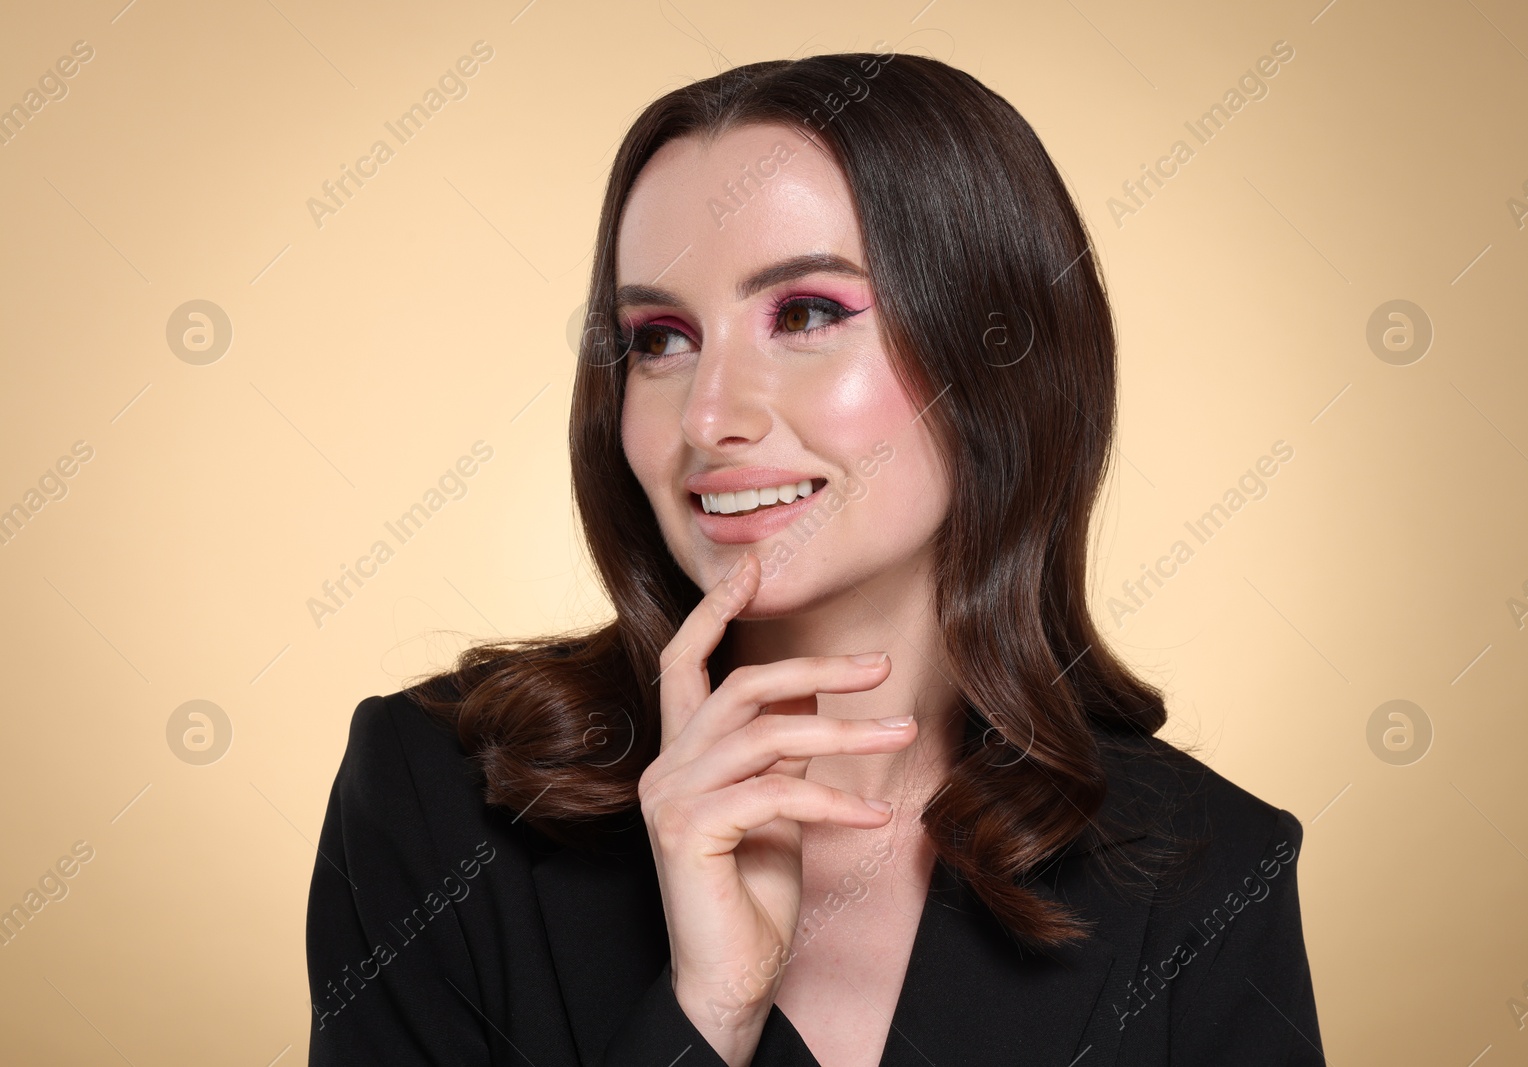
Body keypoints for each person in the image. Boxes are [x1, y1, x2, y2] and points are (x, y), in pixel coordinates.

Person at [306, 49, 1325, 1066]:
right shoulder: (439, 798)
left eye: (803, 315)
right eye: (659, 337)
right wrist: (710, 1007)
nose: (707, 415)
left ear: (998, 357)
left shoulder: (1205, 870)